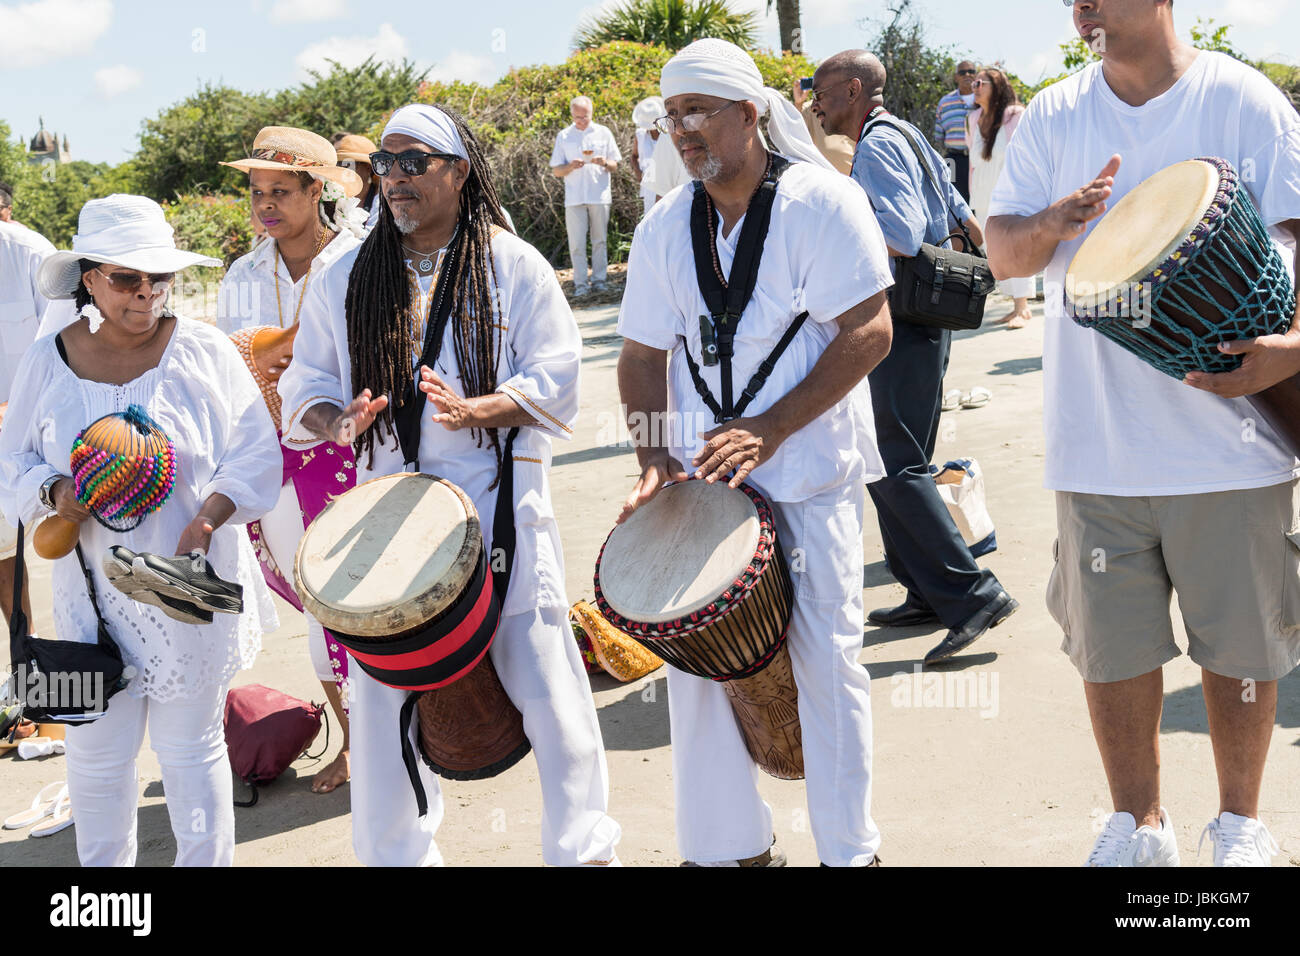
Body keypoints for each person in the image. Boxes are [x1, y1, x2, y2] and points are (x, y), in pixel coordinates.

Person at [985, 0, 1300, 867]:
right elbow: (1004, 251)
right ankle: (1139, 829)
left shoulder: (1243, 100)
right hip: (1096, 445)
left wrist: (1295, 349)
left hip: (1232, 440)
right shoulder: (1052, 112)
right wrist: (1055, 221)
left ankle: (1241, 827)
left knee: (1241, 647)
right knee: (1112, 648)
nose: (1080, 4)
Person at [279, 103, 621, 866]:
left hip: (501, 515)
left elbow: (558, 376)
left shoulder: (512, 263)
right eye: (385, 166)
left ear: (458, 173)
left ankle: (584, 853)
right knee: (381, 710)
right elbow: (306, 384)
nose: (394, 179)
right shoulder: (344, 271)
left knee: (550, 693)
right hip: (387, 525)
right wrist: (338, 420)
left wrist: (479, 411)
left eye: (413, 163)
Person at [617, 38, 893, 867]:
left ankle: (851, 852)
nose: (683, 131)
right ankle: (727, 850)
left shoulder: (821, 202)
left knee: (827, 668)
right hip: (708, 492)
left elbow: (870, 331)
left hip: (808, 477)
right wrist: (656, 459)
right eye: (671, 118)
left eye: (697, 111)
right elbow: (638, 356)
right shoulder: (667, 224)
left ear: (751, 112)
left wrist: (771, 428)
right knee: (697, 680)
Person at [0, 194, 281, 866]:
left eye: (159, 278)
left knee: (192, 753)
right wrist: (57, 492)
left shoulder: (204, 351)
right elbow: (13, 460)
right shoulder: (47, 362)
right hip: (86, 599)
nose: (146, 293)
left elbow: (254, 452)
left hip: (186, 586)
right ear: (88, 278)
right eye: (127, 278)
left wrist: (209, 518)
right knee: (97, 761)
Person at [813, 49, 1019, 664]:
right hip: (931, 317)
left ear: (852, 90)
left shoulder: (874, 147)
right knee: (899, 459)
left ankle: (973, 595)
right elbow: (958, 207)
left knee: (891, 462)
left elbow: (901, 235)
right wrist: (988, 266)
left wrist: (834, 229)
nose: (815, 103)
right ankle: (925, 591)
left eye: (822, 92)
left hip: (901, 323)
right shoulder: (903, 131)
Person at [217, 126, 366, 794]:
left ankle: (405, 731)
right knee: (319, 604)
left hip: (356, 452)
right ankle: (356, 744)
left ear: (317, 191)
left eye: (281, 190)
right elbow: (225, 373)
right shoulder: (243, 277)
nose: (266, 205)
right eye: (257, 193)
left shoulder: (361, 261)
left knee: (371, 591)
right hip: (275, 464)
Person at [0, 180, 54, 634]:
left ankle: (28, 661)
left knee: (11, 556)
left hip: (23, 440)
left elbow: (67, 343)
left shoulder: (30, 253)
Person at [967, 68, 1033, 329]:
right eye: (974, 82)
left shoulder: (1014, 114)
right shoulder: (971, 118)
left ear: (997, 87)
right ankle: (1013, 303)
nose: (975, 85)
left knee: (1015, 245)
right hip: (982, 193)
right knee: (994, 249)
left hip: (1010, 191)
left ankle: (1022, 307)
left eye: (981, 82)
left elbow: (1025, 154)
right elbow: (973, 163)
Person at [549, 95, 621, 295]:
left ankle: (600, 281)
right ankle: (580, 285)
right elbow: (556, 170)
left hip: (599, 195)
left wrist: (603, 162)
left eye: (585, 116)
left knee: (600, 241)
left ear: (592, 113)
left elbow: (615, 164)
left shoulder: (603, 132)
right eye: (578, 117)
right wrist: (571, 166)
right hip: (574, 197)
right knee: (577, 244)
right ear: (572, 114)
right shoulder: (564, 136)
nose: (582, 120)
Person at [935, 60, 978, 201]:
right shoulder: (945, 102)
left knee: (980, 200)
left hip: (980, 159)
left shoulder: (984, 100)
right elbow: (938, 137)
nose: (967, 75)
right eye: (962, 72)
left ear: (976, 75)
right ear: (956, 77)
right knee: (954, 202)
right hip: (953, 160)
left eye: (971, 71)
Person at [792, 79, 854, 175]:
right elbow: (795, 133)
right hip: (823, 178)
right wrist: (798, 103)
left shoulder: (852, 104)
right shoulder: (811, 109)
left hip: (854, 179)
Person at [631, 96, 663, 216]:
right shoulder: (640, 135)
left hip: (668, 182)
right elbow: (634, 156)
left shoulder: (669, 135)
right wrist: (638, 174)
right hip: (649, 183)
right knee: (650, 218)